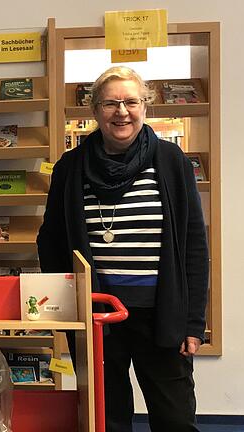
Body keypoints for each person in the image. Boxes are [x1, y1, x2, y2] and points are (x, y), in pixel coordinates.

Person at [37, 66, 208, 432]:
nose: (122, 111)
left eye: (131, 101)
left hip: (161, 315)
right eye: (110, 103)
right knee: (106, 418)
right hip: (96, 317)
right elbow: (50, 240)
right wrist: (67, 308)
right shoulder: (71, 167)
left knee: (175, 418)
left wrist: (193, 322)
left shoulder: (171, 161)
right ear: (95, 110)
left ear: (145, 106)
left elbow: (193, 244)